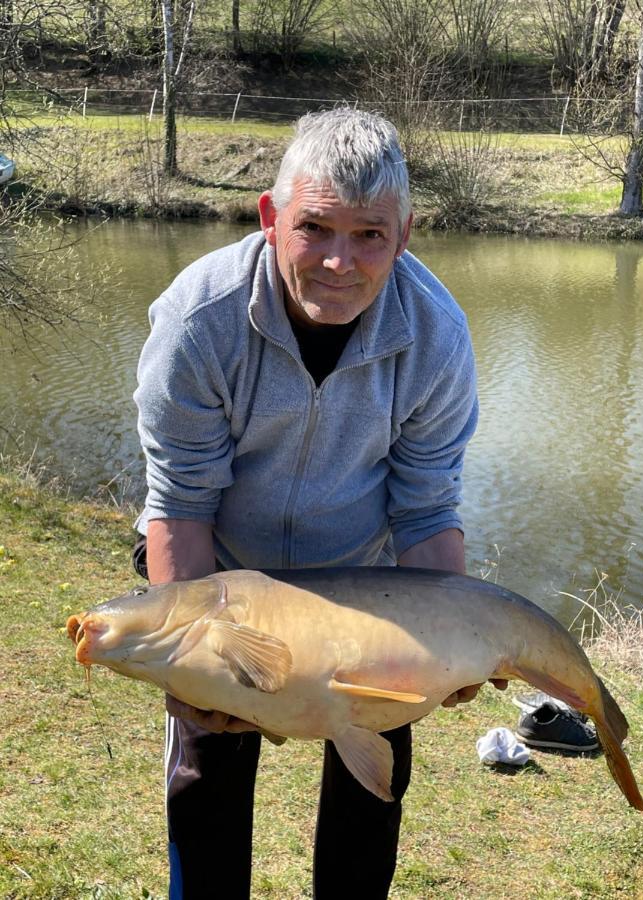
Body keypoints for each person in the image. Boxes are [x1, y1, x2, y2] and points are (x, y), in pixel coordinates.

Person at [133, 108, 505, 900]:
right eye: (315, 228)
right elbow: (182, 500)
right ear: (271, 219)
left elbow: (426, 505)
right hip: (223, 564)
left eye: (369, 234)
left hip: (362, 578)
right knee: (209, 766)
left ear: (404, 234)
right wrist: (192, 658)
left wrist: (457, 635)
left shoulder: (436, 336)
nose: (340, 261)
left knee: (375, 773)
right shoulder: (197, 320)